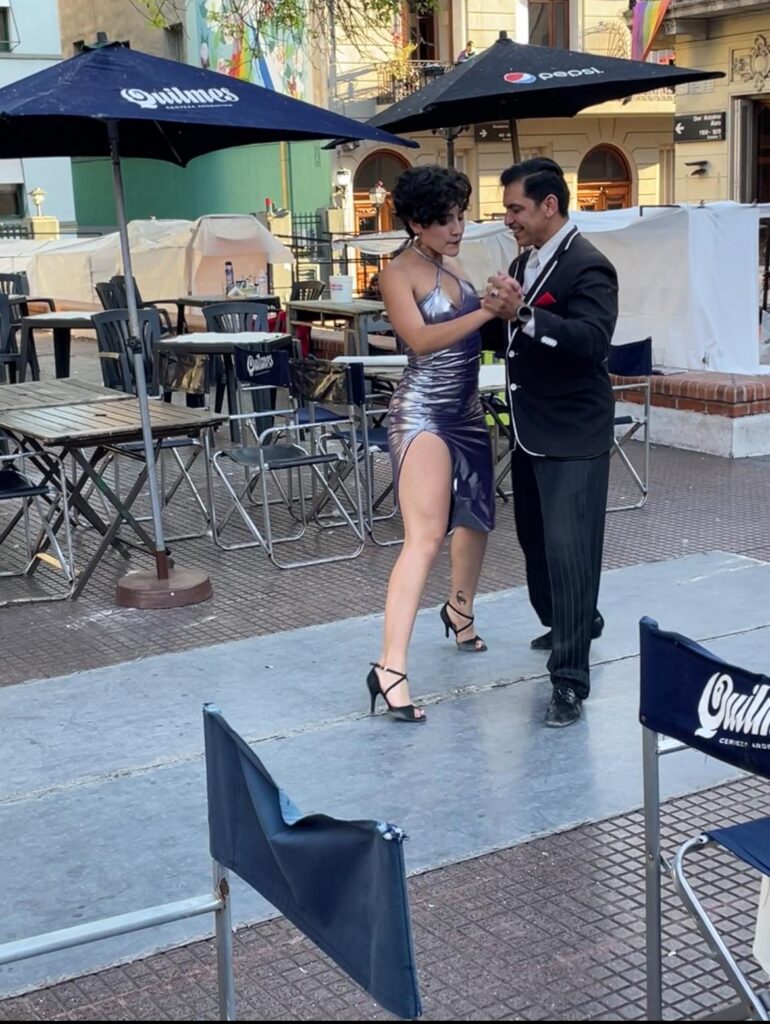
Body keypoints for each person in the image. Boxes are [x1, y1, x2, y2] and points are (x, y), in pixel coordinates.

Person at [481, 157, 618, 729]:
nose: (508, 218)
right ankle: (574, 619)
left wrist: (525, 313)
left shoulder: (590, 266)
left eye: (515, 208)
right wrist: (483, 313)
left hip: (574, 432)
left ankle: (569, 682)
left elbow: (591, 341)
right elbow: (509, 336)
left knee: (569, 552)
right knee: (535, 543)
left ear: (549, 206)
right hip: (530, 429)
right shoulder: (524, 260)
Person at [369, 164, 496, 724]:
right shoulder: (397, 273)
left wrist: (500, 301)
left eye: (461, 215)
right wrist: (487, 310)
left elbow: (477, 327)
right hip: (422, 414)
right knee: (423, 539)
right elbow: (418, 339)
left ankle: (459, 611)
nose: (458, 226)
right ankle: (389, 667)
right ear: (418, 223)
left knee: (477, 519)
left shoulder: (453, 265)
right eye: (446, 219)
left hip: (466, 412)